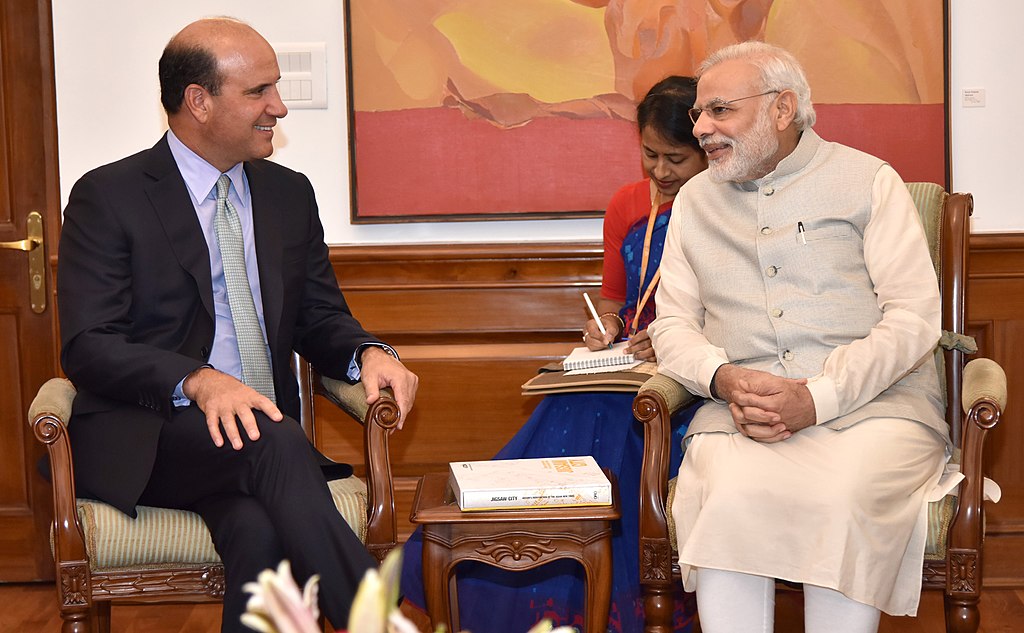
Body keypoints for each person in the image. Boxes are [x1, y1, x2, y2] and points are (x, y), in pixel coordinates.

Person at [56, 17, 418, 633]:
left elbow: (319, 316)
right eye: (259, 92)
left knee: (257, 534)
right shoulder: (108, 196)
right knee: (273, 438)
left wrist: (368, 352)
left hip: (252, 452)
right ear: (198, 101)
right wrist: (197, 379)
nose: (278, 106)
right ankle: (378, 623)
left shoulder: (288, 194)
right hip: (152, 439)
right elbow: (88, 346)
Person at [648, 41, 949, 633]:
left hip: (875, 409)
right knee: (729, 495)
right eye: (698, 115)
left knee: (841, 494)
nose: (702, 128)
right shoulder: (693, 202)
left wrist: (820, 398)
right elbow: (671, 323)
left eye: (720, 111)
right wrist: (722, 378)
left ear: (782, 109)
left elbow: (914, 317)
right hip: (741, 414)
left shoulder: (868, 182)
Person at [399, 76, 707, 632]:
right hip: (626, 365)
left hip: (688, 379)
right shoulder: (627, 205)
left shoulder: (724, 210)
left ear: (708, 149)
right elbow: (618, 303)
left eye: (676, 159)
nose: (660, 171)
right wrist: (606, 327)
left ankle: (614, 600)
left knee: (608, 416)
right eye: (650, 155)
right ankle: (520, 570)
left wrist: (670, 339)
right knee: (573, 401)